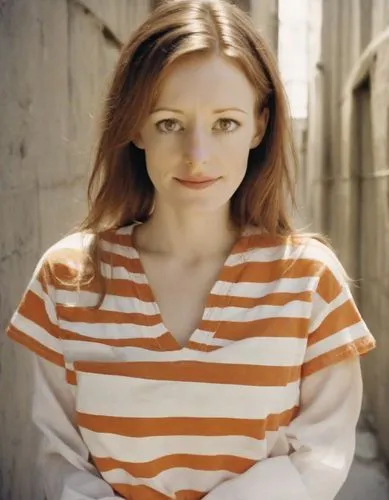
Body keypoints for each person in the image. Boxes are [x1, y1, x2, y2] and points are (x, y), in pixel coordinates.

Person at [6, 0, 376, 499]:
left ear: (259, 125)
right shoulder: (67, 277)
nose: (197, 156)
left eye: (224, 123)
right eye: (168, 123)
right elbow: (57, 460)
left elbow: (321, 457)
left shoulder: (310, 281)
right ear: (135, 126)